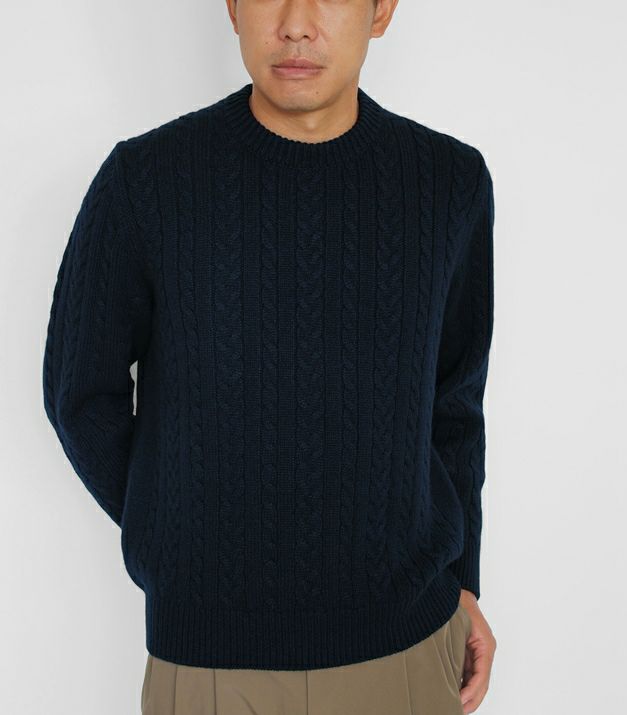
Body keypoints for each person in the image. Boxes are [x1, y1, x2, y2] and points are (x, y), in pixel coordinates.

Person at [41, 0, 497, 712]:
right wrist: (182, 533)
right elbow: (80, 393)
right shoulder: (146, 181)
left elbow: (454, 402)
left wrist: (463, 579)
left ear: (381, 10)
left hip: (408, 650)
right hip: (207, 664)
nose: (296, 23)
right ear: (231, 7)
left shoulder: (449, 183)